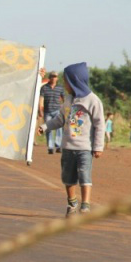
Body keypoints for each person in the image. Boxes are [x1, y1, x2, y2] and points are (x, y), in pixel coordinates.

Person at [38, 62, 105, 217]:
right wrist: (45, 127)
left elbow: (99, 124)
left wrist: (98, 146)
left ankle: (85, 204)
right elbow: (60, 119)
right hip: (68, 146)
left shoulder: (93, 100)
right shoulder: (68, 100)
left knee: (84, 174)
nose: (64, 84)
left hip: (85, 147)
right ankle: (72, 202)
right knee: (68, 177)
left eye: (66, 81)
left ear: (76, 81)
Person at [39, 71, 64, 154]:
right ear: (49, 78)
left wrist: (65, 109)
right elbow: (41, 100)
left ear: (57, 78)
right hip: (47, 111)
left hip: (57, 110)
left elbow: (64, 99)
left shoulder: (60, 88)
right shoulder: (44, 88)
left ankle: (58, 145)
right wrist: (40, 110)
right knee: (48, 128)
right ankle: (50, 147)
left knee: (59, 127)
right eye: (52, 76)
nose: (54, 78)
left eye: (55, 76)